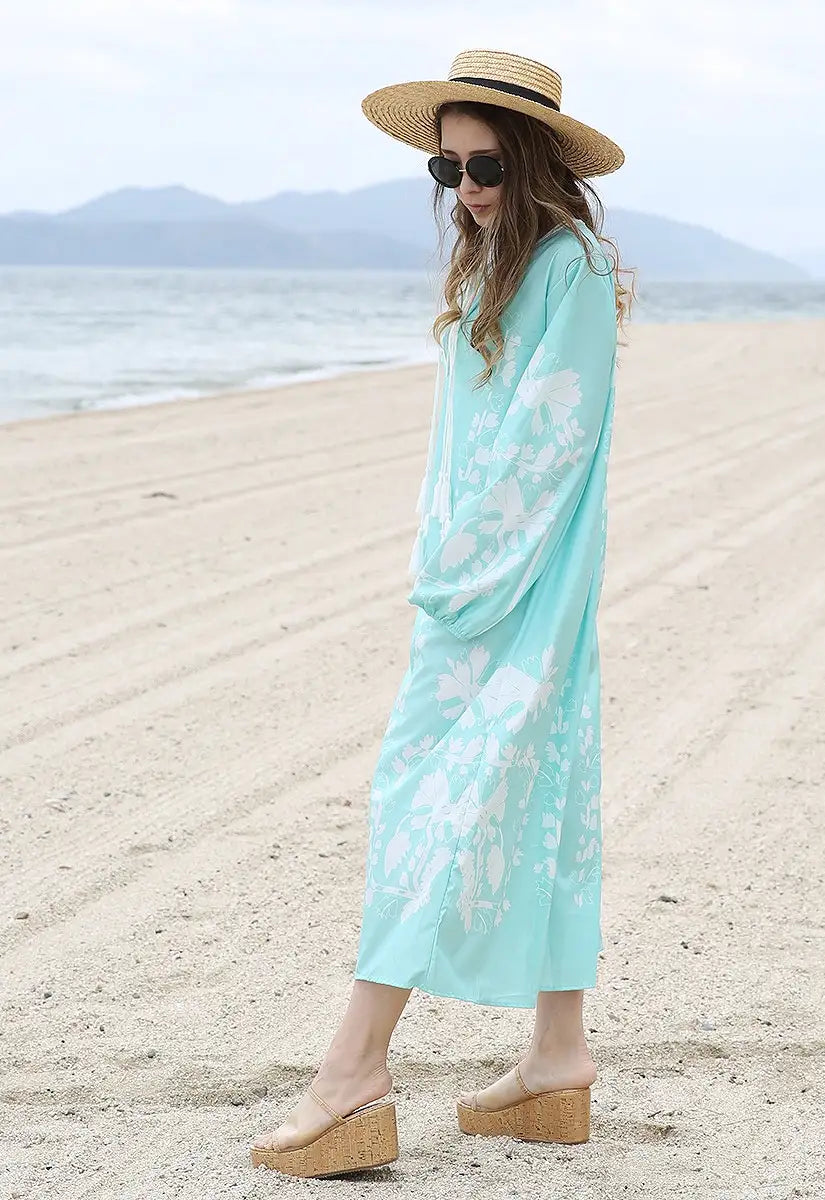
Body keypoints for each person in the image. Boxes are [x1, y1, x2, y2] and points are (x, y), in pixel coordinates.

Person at [250, 47, 632, 1179]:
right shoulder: (489, 273)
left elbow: (549, 445)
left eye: (488, 166)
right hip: (475, 580)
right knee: (542, 791)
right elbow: (458, 440)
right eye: (448, 168)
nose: (467, 188)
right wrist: (437, 542)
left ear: (539, 164)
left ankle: (353, 1072)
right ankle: (557, 1058)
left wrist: (458, 574)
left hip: (515, 589)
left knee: (429, 800)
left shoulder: (571, 268)